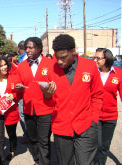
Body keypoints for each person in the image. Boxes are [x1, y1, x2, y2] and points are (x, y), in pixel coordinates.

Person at [51, 34, 103, 165]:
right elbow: (47, 102)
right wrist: (46, 95)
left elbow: (97, 95)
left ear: (73, 51)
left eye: (63, 57)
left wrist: (93, 120)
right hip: (61, 127)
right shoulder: (51, 70)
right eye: (57, 58)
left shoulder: (89, 66)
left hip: (86, 126)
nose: (59, 62)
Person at [16, 37, 56, 165]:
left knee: (43, 139)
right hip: (28, 108)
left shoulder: (50, 64)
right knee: (33, 138)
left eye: (30, 47)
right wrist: (17, 87)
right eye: (26, 48)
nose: (27, 50)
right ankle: (38, 160)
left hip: (46, 108)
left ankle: (44, 163)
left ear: (39, 48)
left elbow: (56, 85)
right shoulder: (21, 66)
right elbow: (17, 83)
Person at [93, 48, 122, 165]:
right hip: (95, 115)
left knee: (104, 146)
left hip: (110, 117)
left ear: (107, 59)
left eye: (98, 58)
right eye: (95, 57)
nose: (95, 60)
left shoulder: (118, 73)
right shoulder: (93, 72)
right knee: (96, 144)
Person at [17, 41, 30, 144]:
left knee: (23, 113)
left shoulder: (25, 58)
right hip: (23, 89)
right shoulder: (22, 58)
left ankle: (28, 134)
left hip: (26, 90)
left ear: (18, 48)